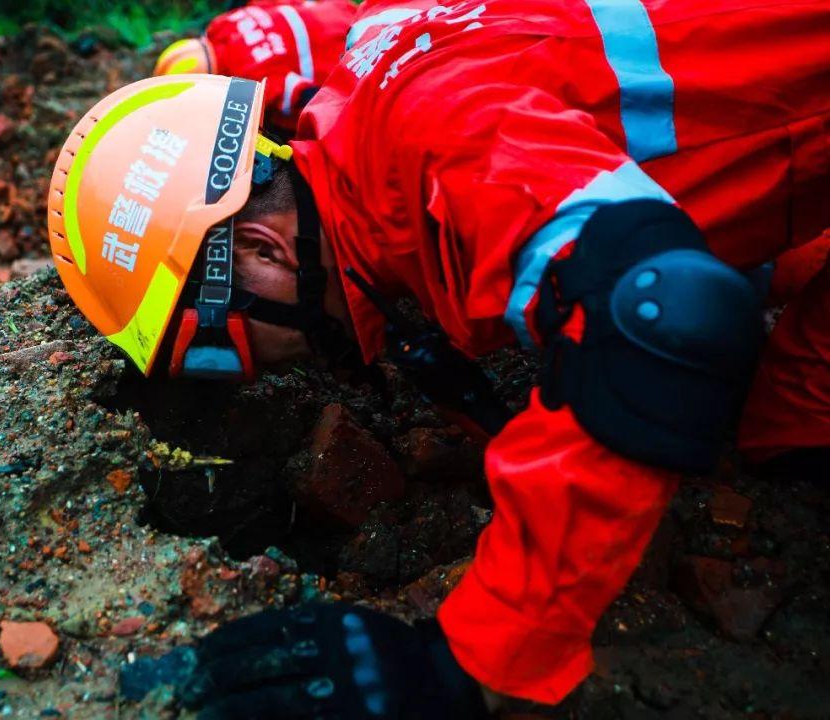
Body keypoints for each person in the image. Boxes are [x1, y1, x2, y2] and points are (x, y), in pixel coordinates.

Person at [47, 0, 830, 715]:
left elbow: (662, 316)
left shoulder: (442, 147)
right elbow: (299, 29)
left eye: (214, 351)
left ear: (260, 248)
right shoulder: (372, 61)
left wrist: (469, 663)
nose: (254, 372)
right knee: (786, 424)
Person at [153, 0, 357, 134]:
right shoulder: (223, 23)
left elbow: (306, 97)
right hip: (341, 11)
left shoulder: (248, 81)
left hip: (351, 45)